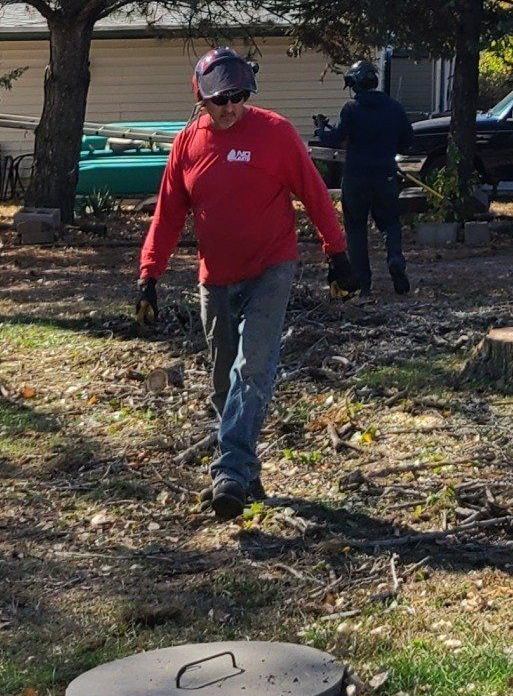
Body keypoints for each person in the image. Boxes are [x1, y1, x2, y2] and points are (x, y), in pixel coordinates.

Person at [135, 47, 353, 518]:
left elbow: (315, 194)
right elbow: (168, 215)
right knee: (222, 378)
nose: (230, 107)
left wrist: (337, 253)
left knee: (251, 369)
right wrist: (149, 275)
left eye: (238, 97)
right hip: (215, 276)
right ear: (200, 98)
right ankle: (248, 475)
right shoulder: (188, 144)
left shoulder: (275, 133)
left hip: (270, 268)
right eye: (220, 100)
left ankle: (229, 471)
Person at [314, 57, 416, 297]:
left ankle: (364, 283)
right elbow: (408, 142)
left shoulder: (351, 109)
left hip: (356, 178)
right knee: (390, 222)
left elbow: (335, 138)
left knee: (356, 229)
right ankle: (395, 257)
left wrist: (321, 129)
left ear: (356, 85)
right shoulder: (394, 107)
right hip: (385, 176)